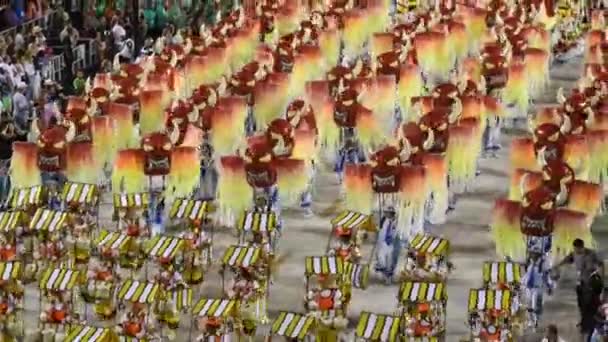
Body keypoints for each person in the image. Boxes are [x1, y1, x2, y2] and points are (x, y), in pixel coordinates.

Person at [554, 239, 604, 333]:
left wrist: (600, 277)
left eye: (578, 249)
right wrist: (558, 265)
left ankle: (588, 325)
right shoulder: (574, 254)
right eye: (575, 249)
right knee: (580, 303)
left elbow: (600, 265)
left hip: (591, 283)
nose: (576, 251)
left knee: (588, 304)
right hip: (580, 282)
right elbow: (567, 259)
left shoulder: (591, 254)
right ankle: (584, 322)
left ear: (582, 247)